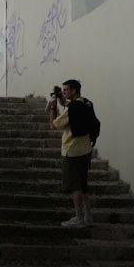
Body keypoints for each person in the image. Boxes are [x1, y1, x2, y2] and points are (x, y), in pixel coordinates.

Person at [48, 79, 93, 228]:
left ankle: (78, 218)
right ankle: (88, 216)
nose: (64, 92)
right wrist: (61, 97)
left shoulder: (71, 109)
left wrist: (53, 107)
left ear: (74, 90)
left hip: (71, 151)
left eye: (66, 90)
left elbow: (53, 125)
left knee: (75, 187)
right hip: (85, 150)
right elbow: (68, 105)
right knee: (83, 185)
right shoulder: (86, 103)